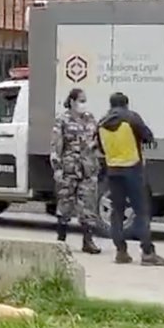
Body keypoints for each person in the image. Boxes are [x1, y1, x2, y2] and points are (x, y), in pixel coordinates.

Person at [97, 92, 164, 266]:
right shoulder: (131, 118)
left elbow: (100, 147)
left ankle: (121, 252)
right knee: (141, 211)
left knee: (117, 212)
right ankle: (147, 253)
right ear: (126, 104)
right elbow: (147, 136)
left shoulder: (101, 123)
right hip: (133, 170)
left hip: (113, 171)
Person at [50, 88, 102, 254]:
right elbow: (56, 145)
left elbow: (96, 140)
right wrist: (57, 168)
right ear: (72, 101)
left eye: (85, 100)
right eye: (81, 100)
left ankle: (88, 241)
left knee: (88, 205)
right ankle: (61, 241)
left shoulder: (90, 119)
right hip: (69, 168)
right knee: (65, 203)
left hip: (87, 169)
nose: (83, 104)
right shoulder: (62, 120)